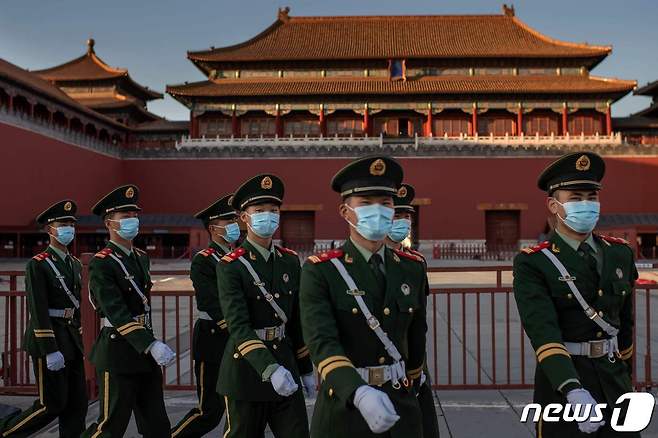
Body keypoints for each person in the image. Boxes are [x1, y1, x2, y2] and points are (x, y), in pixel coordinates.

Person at [300, 156, 427, 438]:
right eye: (367, 203)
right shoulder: (321, 271)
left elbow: (417, 334)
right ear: (346, 212)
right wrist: (357, 392)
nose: (378, 211)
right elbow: (321, 341)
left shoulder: (412, 268)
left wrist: (415, 380)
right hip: (344, 407)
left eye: (386, 203)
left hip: (400, 405)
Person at [513, 152, 637, 437]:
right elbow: (542, 330)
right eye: (575, 197)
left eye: (591, 197)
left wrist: (625, 374)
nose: (586, 205)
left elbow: (625, 325)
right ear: (554, 205)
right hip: (564, 383)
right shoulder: (534, 262)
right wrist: (572, 389)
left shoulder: (619, 253)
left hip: (614, 379)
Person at [217, 174, 314, 438]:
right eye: (259, 211)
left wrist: (305, 368)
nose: (267, 217)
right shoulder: (231, 266)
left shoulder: (290, 261)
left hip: (286, 364)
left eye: (273, 211)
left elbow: (295, 319)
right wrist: (269, 369)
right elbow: (238, 326)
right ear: (244, 218)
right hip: (246, 370)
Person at [82, 184, 176, 438]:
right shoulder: (102, 263)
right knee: (111, 426)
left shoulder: (140, 257)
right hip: (118, 352)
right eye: (125, 217)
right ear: (110, 224)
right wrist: (151, 344)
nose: (132, 221)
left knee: (157, 425)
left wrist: (149, 345)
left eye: (134, 215)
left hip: (143, 354)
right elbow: (115, 311)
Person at [0, 200, 87, 437]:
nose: (68, 229)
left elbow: (75, 306)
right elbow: (37, 308)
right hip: (49, 340)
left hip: (71, 340)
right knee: (52, 404)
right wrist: (50, 348)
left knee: (77, 404)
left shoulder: (75, 264)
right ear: (50, 230)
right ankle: (8, 431)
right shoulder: (38, 264)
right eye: (63, 224)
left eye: (71, 224)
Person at [171, 194, 240, 437]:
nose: (234, 225)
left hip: (238, 340)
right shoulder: (204, 261)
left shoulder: (239, 257)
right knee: (210, 411)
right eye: (228, 220)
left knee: (240, 408)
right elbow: (210, 301)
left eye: (234, 219)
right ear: (213, 228)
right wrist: (239, 328)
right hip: (214, 339)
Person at [385, 183, 440, 438]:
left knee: (424, 424)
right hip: (382, 359)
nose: (404, 222)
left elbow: (419, 320)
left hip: (413, 360)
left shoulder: (416, 263)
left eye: (407, 216)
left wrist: (417, 368)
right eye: (397, 216)